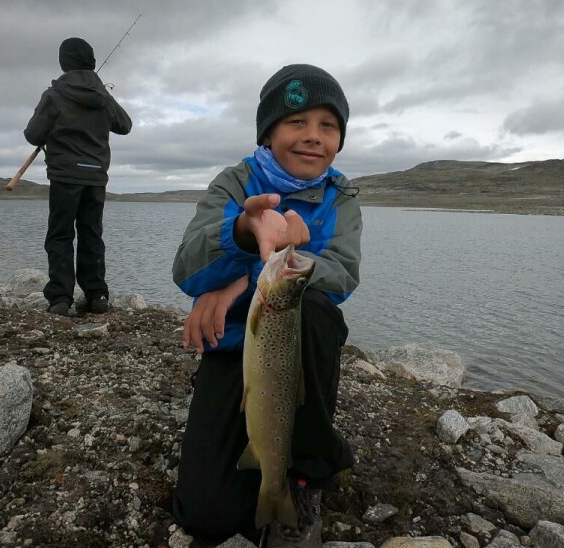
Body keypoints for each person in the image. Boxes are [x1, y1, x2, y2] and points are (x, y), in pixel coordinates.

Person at [171, 64, 362, 547]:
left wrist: (240, 284)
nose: (313, 137)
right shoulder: (236, 183)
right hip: (232, 349)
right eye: (296, 122)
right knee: (209, 518)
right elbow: (187, 269)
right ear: (269, 131)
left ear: (339, 138)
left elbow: (341, 278)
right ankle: (260, 461)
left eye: (328, 126)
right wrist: (242, 233)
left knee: (317, 308)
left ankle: (308, 476)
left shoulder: (340, 199)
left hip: (298, 358)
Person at [24, 37, 132, 316]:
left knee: (60, 235)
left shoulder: (54, 95)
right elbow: (125, 125)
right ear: (92, 63)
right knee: (91, 234)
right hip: (96, 177)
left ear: (64, 62)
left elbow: (33, 135)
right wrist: (105, 96)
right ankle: (97, 296)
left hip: (64, 176)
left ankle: (60, 299)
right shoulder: (102, 98)